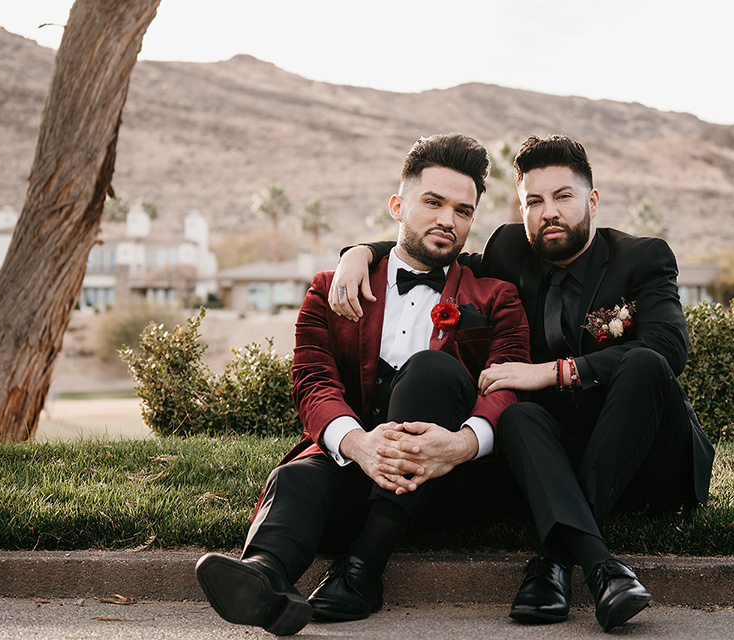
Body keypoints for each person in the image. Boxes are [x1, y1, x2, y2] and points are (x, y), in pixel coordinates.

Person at [330, 134, 715, 632]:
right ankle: (601, 570)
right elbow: (434, 253)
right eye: (534, 201)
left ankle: (553, 559)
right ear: (521, 207)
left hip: (647, 458)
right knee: (515, 412)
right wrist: (358, 252)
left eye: (563, 197)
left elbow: (668, 350)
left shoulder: (641, 258)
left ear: (591, 201)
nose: (548, 211)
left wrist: (554, 371)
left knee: (642, 364)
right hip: (549, 454)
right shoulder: (511, 250)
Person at [195, 133, 530, 636]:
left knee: (433, 371)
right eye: (433, 202)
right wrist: (357, 445)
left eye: (462, 210)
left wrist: (462, 445)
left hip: (447, 483)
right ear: (398, 205)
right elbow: (312, 381)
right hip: (355, 466)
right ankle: (266, 578)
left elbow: (509, 384)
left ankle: (362, 570)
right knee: (300, 476)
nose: (447, 220)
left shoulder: (496, 296)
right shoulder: (330, 289)